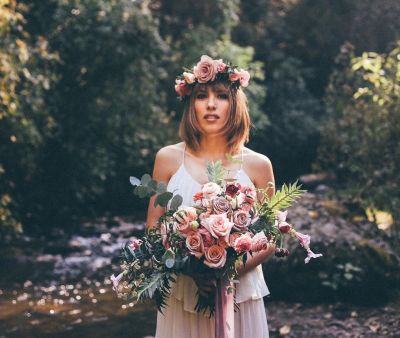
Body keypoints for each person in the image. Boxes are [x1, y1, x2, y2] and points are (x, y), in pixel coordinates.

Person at [146, 55, 276, 338]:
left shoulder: (258, 164)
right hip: (183, 291)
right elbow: (154, 230)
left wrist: (228, 271)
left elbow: (271, 237)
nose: (211, 104)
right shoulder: (167, 159)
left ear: (235, 104)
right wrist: (191, 269)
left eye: (221, 96)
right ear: (191, 104)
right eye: (202, 96)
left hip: (240, 291)